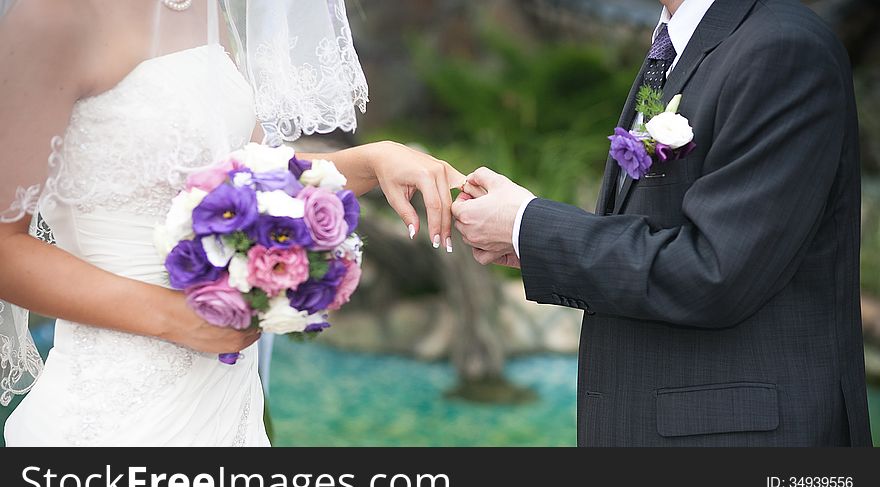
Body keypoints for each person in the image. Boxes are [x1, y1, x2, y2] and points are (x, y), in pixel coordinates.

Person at [0, 0, 464, 446]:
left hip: (226, 399)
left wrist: (371, 162)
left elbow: (245, 175)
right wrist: (175, 317)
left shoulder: (200, 7)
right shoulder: (51, 17)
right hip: (115, 410)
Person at [453, 0, 872, 446]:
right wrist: (528, 244)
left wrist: (529, 226)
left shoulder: (784, 47)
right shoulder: (674, 46)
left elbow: (716, 271)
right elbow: (659, 226)